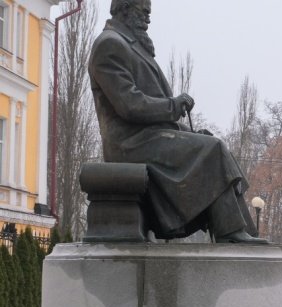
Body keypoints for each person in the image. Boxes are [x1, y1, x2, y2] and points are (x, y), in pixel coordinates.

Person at [89, 0, 263, 243]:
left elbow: (148, 113)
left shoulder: (131, 46)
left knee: (210, 142)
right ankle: (230, 233)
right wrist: (174, 106)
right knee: (212, 150)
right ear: (125, 8)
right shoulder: (109, 44)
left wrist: (185, 131)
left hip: (148, 138)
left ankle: (244, 233)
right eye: (144, 12)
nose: (148, 19)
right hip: (130, 145)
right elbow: (130, 105)